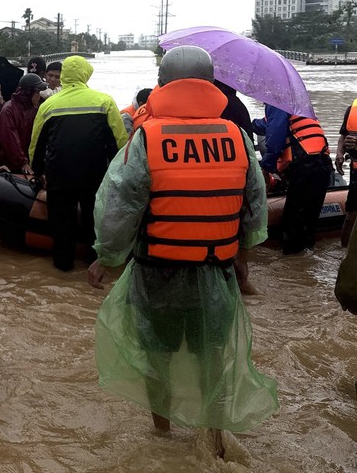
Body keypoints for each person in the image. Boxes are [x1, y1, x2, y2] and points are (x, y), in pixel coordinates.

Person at [88, 46, 278, 460]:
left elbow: (121, 204)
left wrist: (107, 258)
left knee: (157, 353)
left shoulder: (148, 138)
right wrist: (244, 255)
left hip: (159, 270)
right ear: (210, 84)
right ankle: (213, 439)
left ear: (164, 83)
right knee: (213, 355)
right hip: (217, 272)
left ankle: (162, 438)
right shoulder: (237, 137)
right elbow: (255, 205)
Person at [29, 56, 127, 272]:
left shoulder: (49, 105)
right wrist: (121, 173)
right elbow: (119, 143)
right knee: (95, 226)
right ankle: (93, 266)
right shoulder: (105, 101)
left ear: (63, 76)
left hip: (59, 176)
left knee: (61, 228)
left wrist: (38, 170)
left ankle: (63, 269)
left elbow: (36, 143)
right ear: (86, 73)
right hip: (95, 177)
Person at [253, 104, 332, 254]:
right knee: (309, 219)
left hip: (305, 165)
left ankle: (291, 263)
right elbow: (265, 123)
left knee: (293, 221)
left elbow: (275, 139)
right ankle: (306, 262)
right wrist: (251, 125)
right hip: (322, 163)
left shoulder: (277, 104)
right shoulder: (298, 105)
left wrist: (266, 167)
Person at [0, 72, 46, 174]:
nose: (39, 96)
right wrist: (22, 162)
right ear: (28, 93)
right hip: (2, 161)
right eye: (37, 92)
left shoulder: (33, 109)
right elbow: (10, 139)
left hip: (18, 160)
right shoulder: (9, 109)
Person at [335, 99, 357, 247]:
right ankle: (344, 257)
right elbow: (343, 137)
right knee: (350, 217)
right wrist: (339, 153)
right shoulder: (351, 110)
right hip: (356, 173)